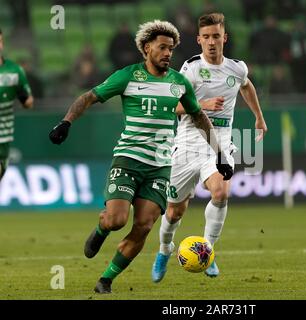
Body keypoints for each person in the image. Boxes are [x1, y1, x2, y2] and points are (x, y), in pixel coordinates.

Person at [48, 20, 233, 294]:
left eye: (171, 48)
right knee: (116, 220)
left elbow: (199, 117)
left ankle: (106, 280)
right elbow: (89, 97)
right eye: (162, 48)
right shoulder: (128, 76)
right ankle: (102, 229)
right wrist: (66, 122)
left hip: (160, 167)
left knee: (144, 226)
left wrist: (220, 154)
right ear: (147, 48)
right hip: (128, 159)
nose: (168, 53)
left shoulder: (179, 82)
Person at [151, 13, 267, 282]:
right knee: (174, 211)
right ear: (199, 40)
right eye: (207, 37)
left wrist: (259, 117)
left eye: (216, 36)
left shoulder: (237, 68)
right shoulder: (190, 69)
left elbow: (246, 87)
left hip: (221, 140)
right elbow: (173, 107)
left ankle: (208, 251)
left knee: (221, 191)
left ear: (224, 38)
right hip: (189, 141)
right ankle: (163, 251)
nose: (212, 42)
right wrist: (202, 105)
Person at [0, 28, 34, 181]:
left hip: (4, 135)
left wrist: (24, 97)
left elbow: (28, 102)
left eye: (0, 41)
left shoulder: (14, 71)